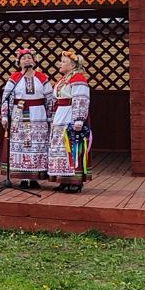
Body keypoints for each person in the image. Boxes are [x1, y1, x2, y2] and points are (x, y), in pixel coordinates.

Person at [0, 48, 53, 188]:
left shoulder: (42, 78)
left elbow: (50, 99)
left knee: (36, 145)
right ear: (19, 62)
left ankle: (34, 178)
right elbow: (6, 97)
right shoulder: (14, 78)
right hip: (19, 113)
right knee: (22, 145)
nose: (27, 60)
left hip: (38, 115)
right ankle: (23, 177)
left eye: (29, 57)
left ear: (34, 61)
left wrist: (50, 117)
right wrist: (5, 115)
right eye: (24, 58)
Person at [47, 50, 91, 192]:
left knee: (72, 147)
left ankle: (75, 181)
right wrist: (52, 116)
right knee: (60, 148)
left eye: (64, 61)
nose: (61, 64)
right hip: (60, 115)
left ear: (72, 65)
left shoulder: (78, 78)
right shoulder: (62, 80)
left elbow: (81, 99)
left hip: (70, 115)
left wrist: (78, 119)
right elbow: (55, 100)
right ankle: (63, 179)